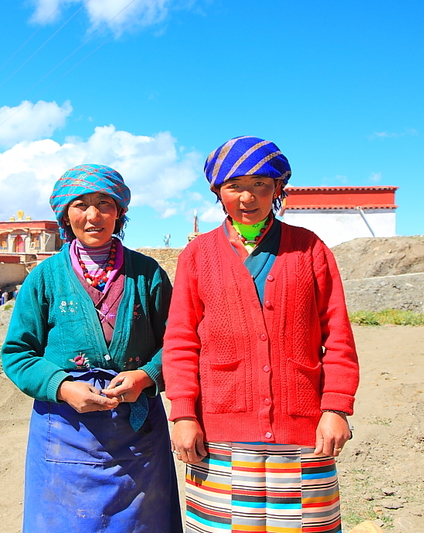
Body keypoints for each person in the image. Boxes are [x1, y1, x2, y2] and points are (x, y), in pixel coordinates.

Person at [163, 136, 360, 533]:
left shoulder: (309, 249)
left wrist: (336, 408)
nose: (247, 197)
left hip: (303, 430)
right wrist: (184, 414)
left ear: (277, 190)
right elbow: (181, 340)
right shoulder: (198, 255)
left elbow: (337, 334)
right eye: (234, 185)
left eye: (260, 185)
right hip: (218, 433)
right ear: (218, 191)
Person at [1, 164, 183, 533]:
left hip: (137, 436)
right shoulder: (45, 277)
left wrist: (146, 376)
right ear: (66, 215)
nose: (93, 215)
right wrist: (64, 388)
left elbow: (178, 343)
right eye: (81, 205)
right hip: (65, 432)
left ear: (120, 212)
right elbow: (18, 352)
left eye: (105, 203)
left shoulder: (148, 274)